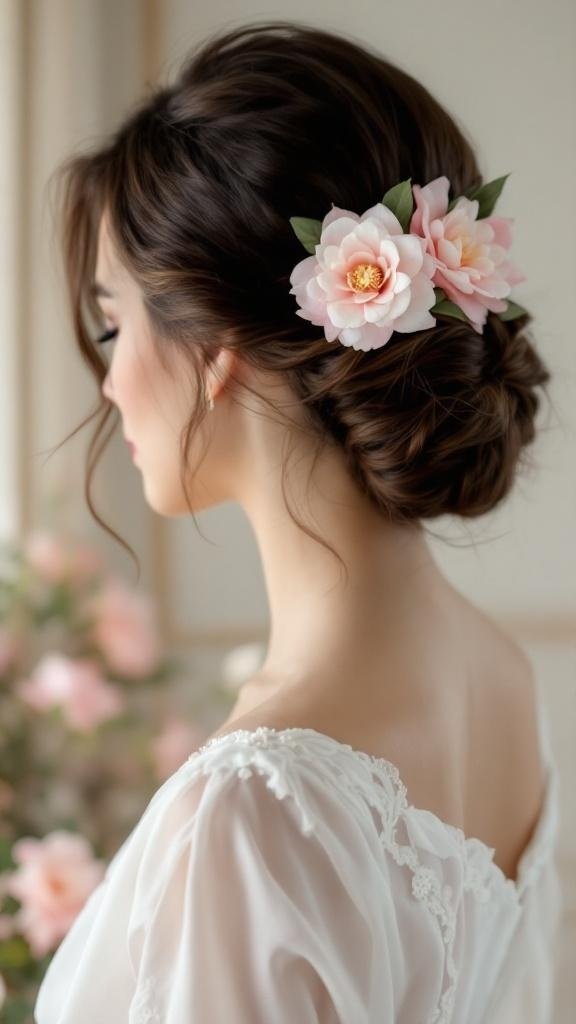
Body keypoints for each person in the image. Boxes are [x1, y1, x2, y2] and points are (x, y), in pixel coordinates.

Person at [36, 19, 562, 1023]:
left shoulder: (250, 805)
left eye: (115, 323)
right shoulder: (506, 677)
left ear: (220, 342)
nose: (108, 383)